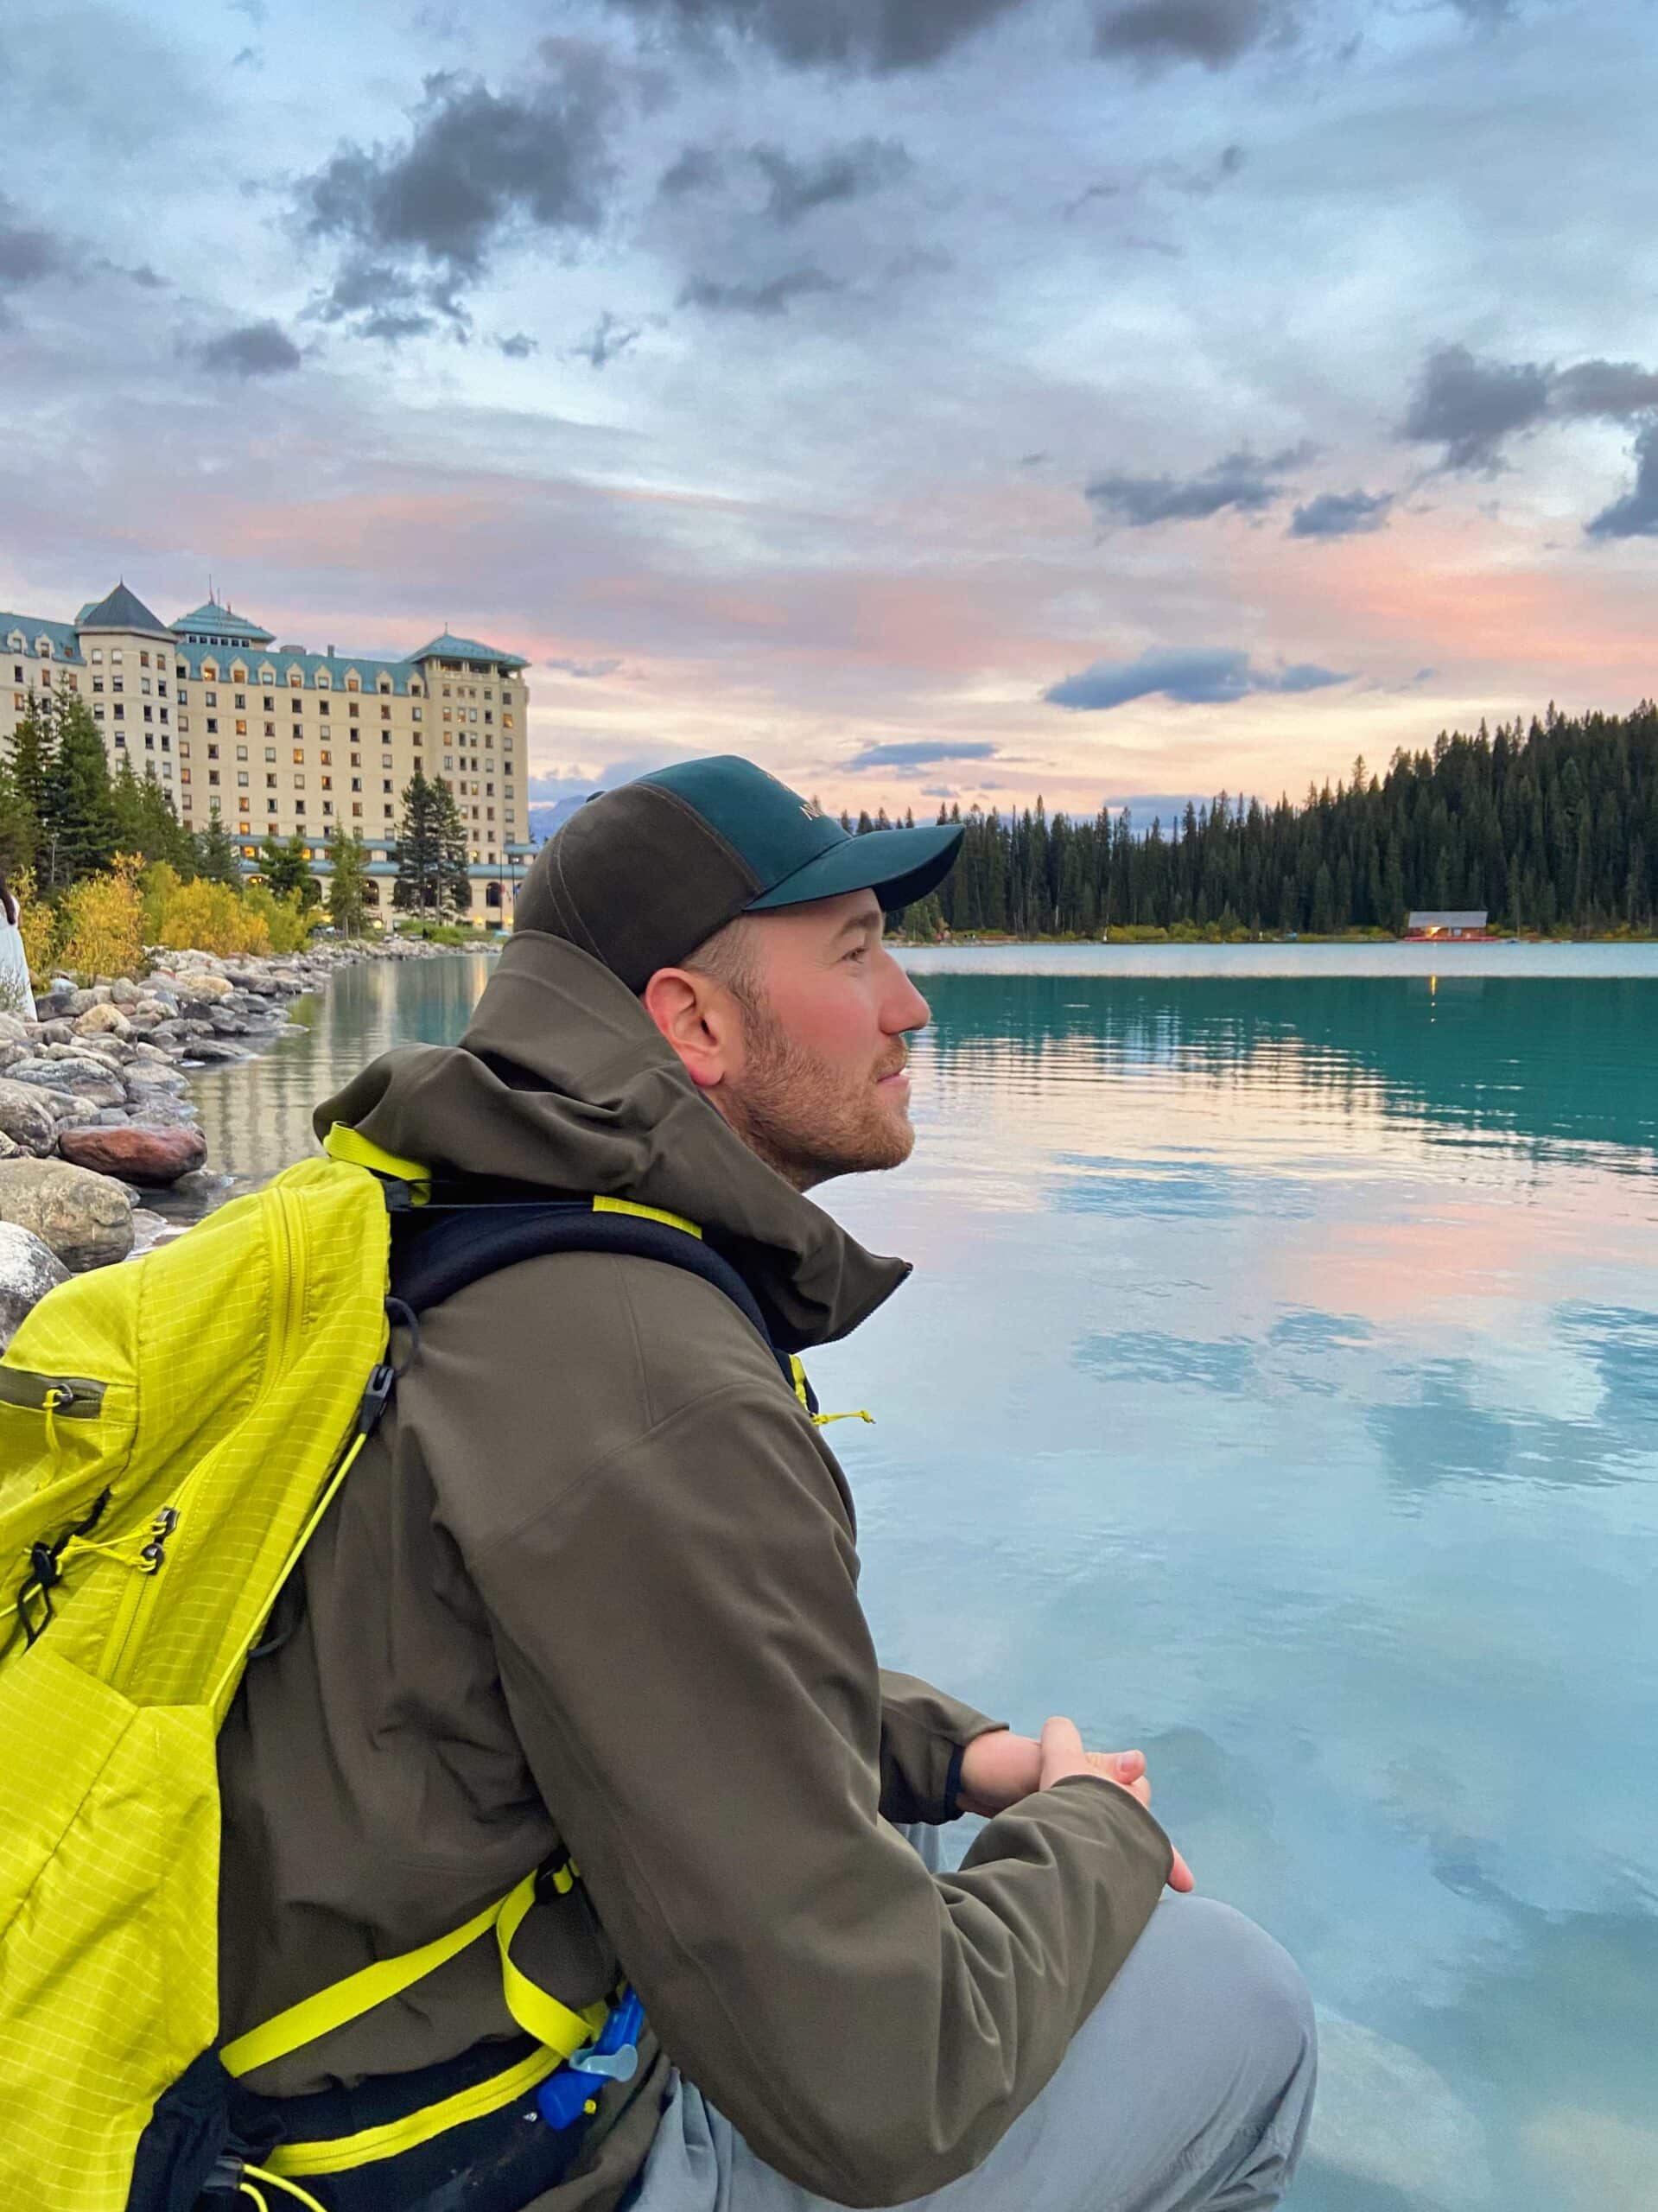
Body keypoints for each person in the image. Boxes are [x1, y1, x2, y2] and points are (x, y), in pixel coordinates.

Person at [215, 757, 1315, 2212]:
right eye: (855, 953)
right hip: (488, 2165)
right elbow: (887, 2092)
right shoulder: (644, 1383)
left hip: (331, 2059)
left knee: (916, 1831)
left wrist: (960, 1754)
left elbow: (639, 1654)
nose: (908, 1005)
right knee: (1233, 2003)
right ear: (692, 1023)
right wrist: (1093, 1831)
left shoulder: (460, 1229)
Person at [0, 864, 35, 1021]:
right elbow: (20, 923)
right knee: (18, 977)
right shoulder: (12, 900)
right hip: (14, 943)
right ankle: (24, 1013)